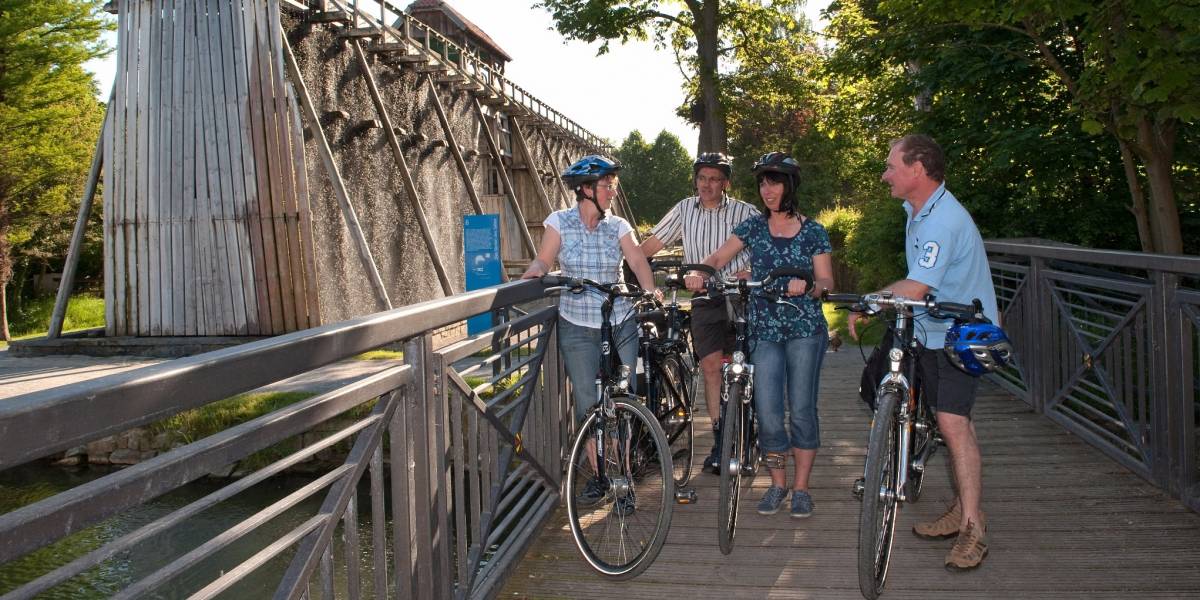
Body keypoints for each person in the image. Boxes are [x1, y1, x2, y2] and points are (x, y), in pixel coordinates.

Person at [849, 134, 999, 570]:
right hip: (930, 329)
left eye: (891, 166)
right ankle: (960, 508)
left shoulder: (942, 220)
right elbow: (919, 278)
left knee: (955, 425)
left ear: (918, 170)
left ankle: (974, 527)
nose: (885, 174)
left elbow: (916, 286)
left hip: (961, 334)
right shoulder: (914, 211)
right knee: (930, 413)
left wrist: (872, 299)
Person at [686, 152, 834, 519]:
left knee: (800, 409)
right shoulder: (753, 227)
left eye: (775, 182)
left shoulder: (814, 231)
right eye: (763, 183)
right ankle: (777, 483)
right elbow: (720, 257)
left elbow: (827, 281)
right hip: (765, 330)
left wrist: (810, 285)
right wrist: (700, 273)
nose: (767, 190)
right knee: (767, 413)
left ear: (790, 185)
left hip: (804, 329)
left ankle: (801, 488)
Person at [522, 155, 659, 512]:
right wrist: (533, 273)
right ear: (585, 190)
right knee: (588, 405)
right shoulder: (560, 222)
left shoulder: (619, 226)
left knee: (623, 402)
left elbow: (637, 260)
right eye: (606, 184)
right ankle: (600, 477)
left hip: (619, 322)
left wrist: (648, 289)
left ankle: (624, 480)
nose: (613, 190)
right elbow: (544, 259)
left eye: (613, 183)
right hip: (577, 326)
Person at [640, 152, 759, 475]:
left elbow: (767, 247)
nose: (707, 184)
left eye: (715, 179)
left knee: (746, 366)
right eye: (702, 178)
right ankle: (721, 437)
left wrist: (750, 270)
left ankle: (748, 431)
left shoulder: (744, 212)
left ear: (726, 183)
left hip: (742, 297)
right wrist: (630, 267)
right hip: (705, 297)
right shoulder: (684, 209)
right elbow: (651, 245)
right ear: (696, 180)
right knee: (709, 366)